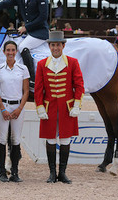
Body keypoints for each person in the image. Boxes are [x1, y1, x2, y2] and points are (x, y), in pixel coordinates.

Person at [34, 31, 84, 184]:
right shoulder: (42, 64)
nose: (55, 48)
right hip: (49, 108)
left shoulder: (73, 62)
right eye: (53, 45)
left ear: (63, 46)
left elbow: (79, 85)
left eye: (58, 45)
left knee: (65, 140)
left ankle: (62, 173)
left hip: (67, 108)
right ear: (49, 46)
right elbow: (38, 89)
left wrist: (77, 105)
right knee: (50, 139)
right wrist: (40, 107)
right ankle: (51, 173)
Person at [0, 41, 30, 183]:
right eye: (8, 50)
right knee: (2, 139)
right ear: (4, 52)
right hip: (4, 105)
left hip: (17, 107)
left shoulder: (23, 68)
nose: (10, 52)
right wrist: (2, 109)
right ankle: (2, 172)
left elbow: (26, 91)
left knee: (15, 139)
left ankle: (15, 171)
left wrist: (19, 109)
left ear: (16, 52)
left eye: (13, 50)